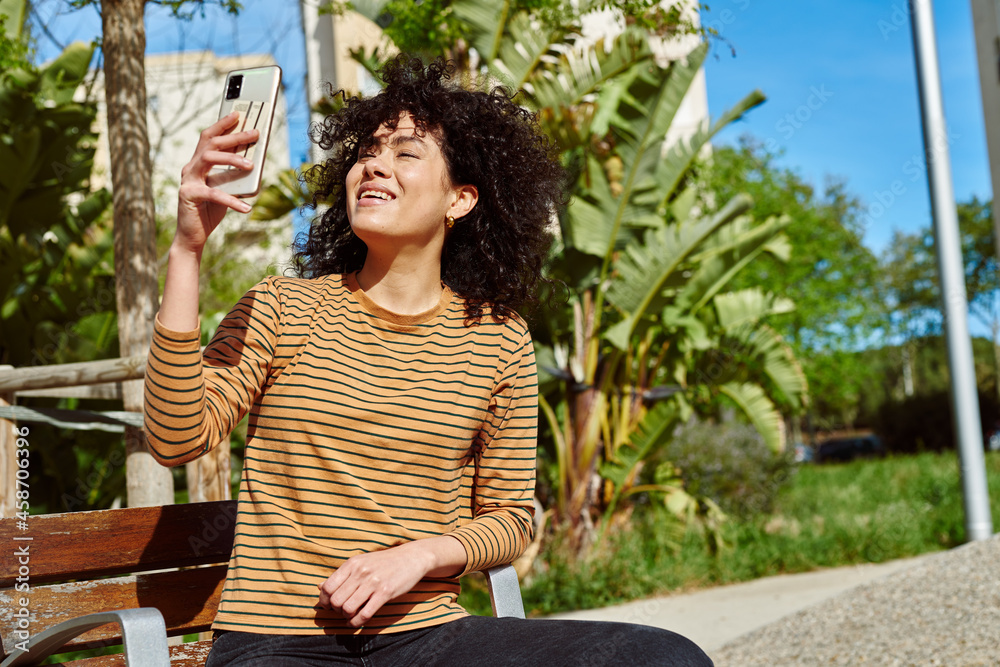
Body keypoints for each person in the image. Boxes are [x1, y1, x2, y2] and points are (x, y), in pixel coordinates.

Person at [144, 55, 713, 666]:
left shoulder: (498, 339)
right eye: (366, 151)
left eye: (405, 153)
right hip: (279, 643)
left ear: (460, 199)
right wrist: (187, 250)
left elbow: (511, 517)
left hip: (429, 639)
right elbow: (176, 439)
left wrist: (419, 556)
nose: (373, 165)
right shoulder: (282, 306)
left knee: (663, 657)